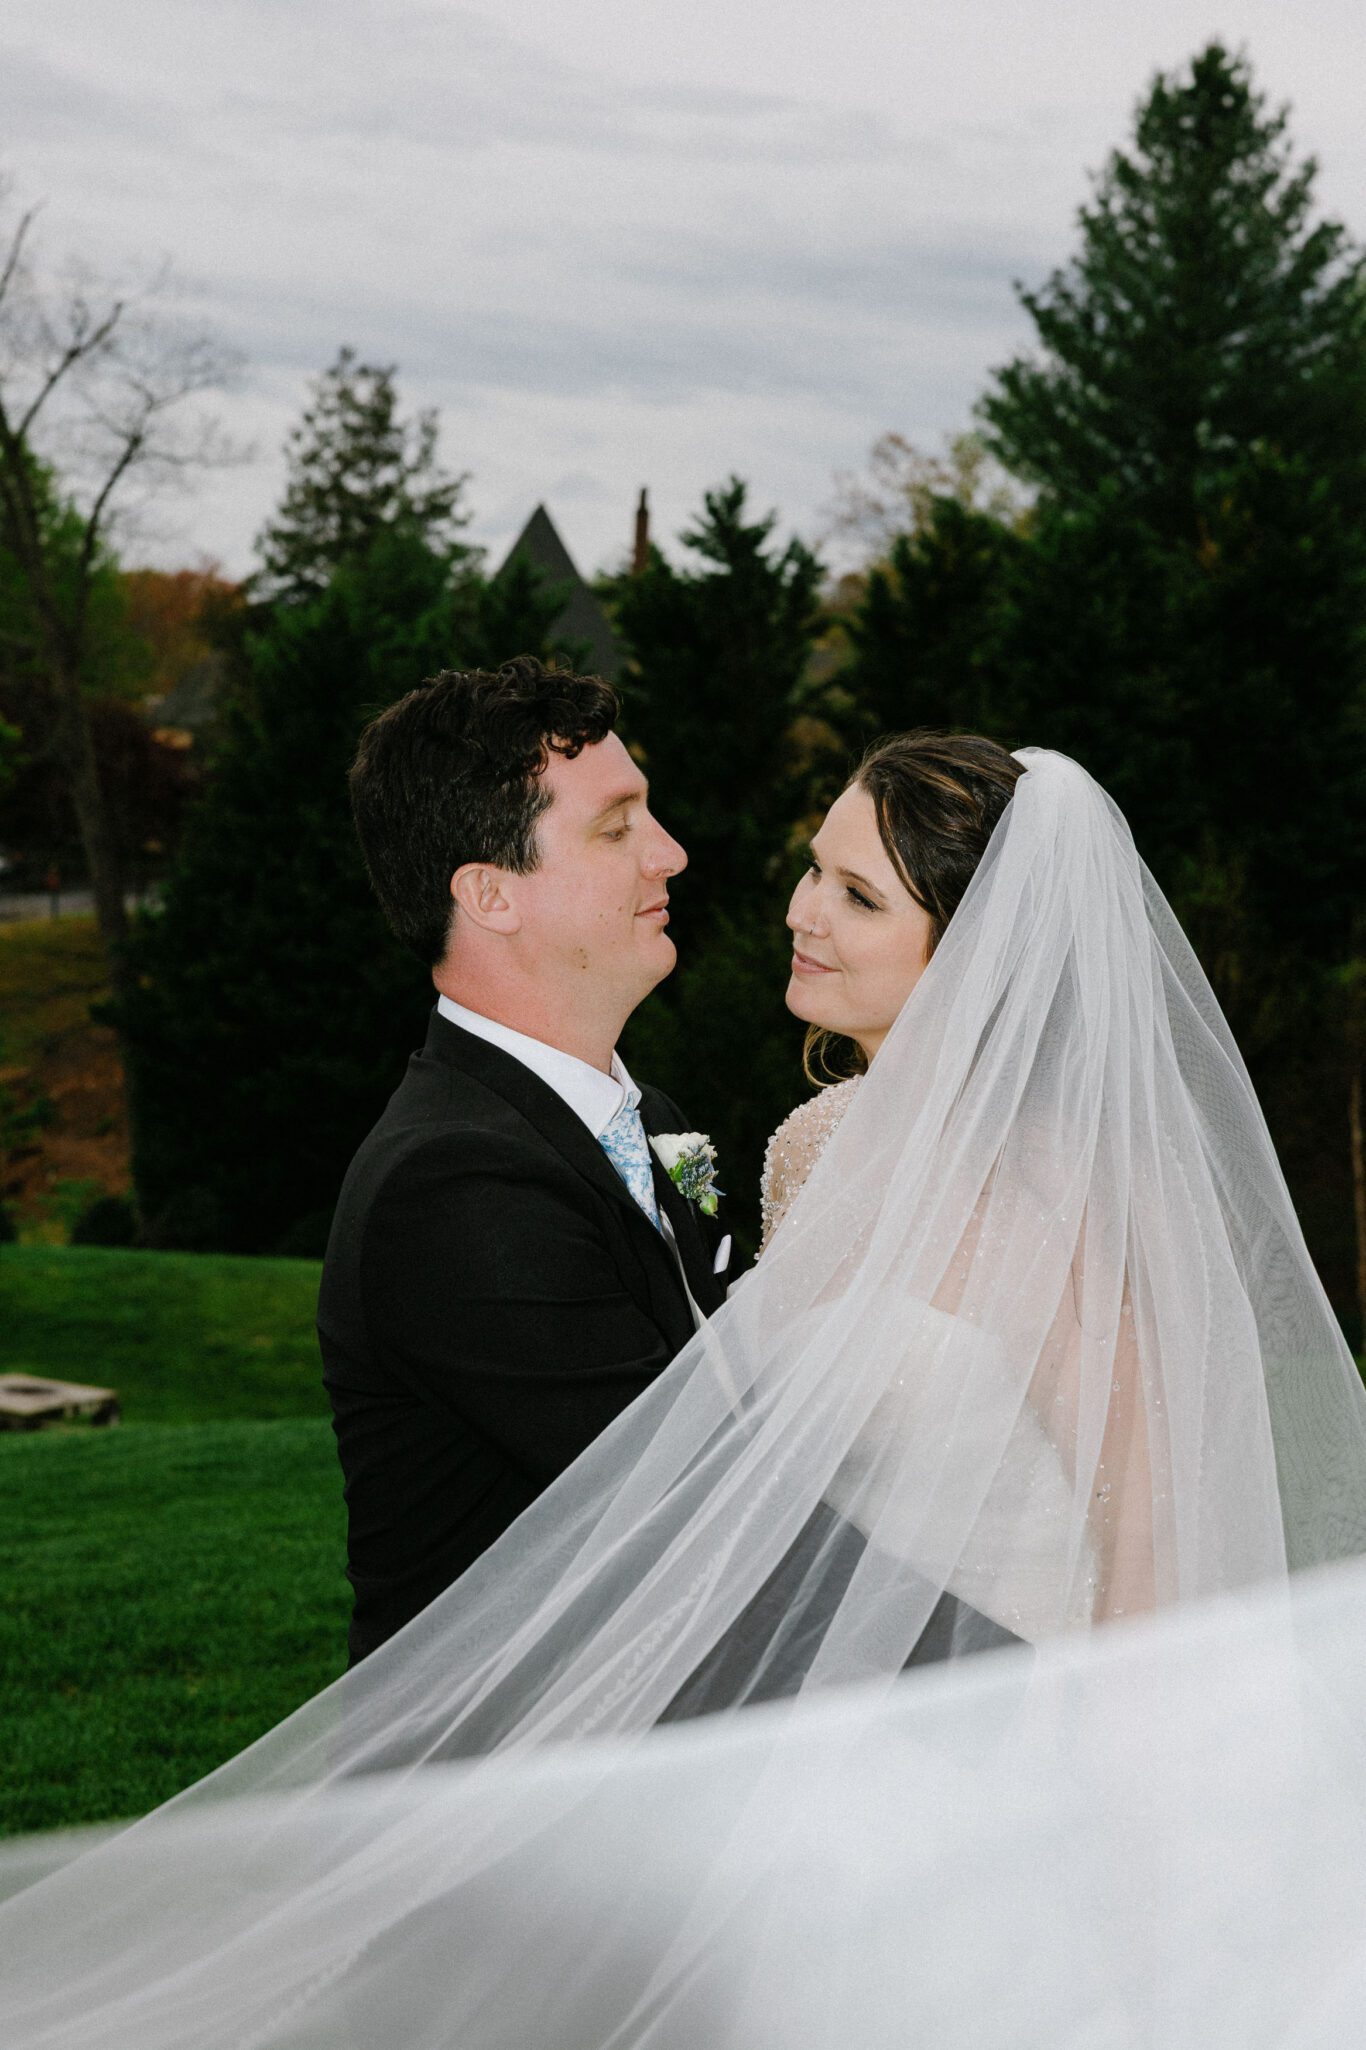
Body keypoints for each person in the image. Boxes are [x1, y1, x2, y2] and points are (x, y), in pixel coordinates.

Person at [6, 733, 1366, 2049]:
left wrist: (1083, 1754)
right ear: (489, 888)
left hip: (994, 1730)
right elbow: (724, 1473)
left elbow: (1136, 1530)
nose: (791, 907)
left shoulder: (1056, 1188)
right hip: (758, 1766)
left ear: (975, 949)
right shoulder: (806, 1151)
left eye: (854, 891)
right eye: (811, 870)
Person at [319, 657, 730, 1664]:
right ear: (490, 893)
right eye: (616, 826)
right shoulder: (453, 1189)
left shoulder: (669, 1125)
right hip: (528, 1771)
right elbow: (692, 1501)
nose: (669, 854)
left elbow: (736, 1326)